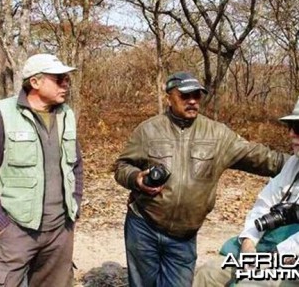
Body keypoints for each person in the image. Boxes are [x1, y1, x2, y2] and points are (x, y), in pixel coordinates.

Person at [114, 71, 289, 287]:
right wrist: (136, 178)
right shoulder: (148, 130)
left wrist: (295, 163)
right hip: (144, 226)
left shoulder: (218, 134)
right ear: (169, 96)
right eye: (185, 96)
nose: (192, 101)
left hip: (184, 236)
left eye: (197, 95)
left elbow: (263, 158)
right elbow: (122, 166)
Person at [194, 98, 299, 287]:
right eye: (290, 126)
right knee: (207, 275)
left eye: (298, 128)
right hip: (268, 250)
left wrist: (267, 261)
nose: (291, 134)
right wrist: (249, 243)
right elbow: (264, 205)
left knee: (250, 284)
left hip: (290, 261)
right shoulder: (293, 164)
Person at [0, 53, 83, 287]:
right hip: (16, 229)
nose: (66, 83)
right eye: (59, 79)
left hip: (59, 230)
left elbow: (76, 164)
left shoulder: (66, 114)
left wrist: (74, 206)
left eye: (66, 78)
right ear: (35, 82)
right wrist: (1, 224)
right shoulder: (4, 114)